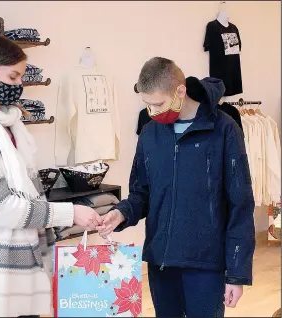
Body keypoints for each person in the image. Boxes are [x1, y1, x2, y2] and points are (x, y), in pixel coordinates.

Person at [0, 34, 102, 317]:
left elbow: (29, 192)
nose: (18, 86)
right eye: (12, 77)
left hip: (17, 269)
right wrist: (69, 213)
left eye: (21, 78)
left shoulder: (11, 126)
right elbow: (2, 208)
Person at [98, 57, 255, 317]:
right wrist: (122, 212)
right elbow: (142, 193)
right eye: (147, 105)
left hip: (206, 265)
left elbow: (240, 203)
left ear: (179, 92)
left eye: (158, 104)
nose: (153, 111)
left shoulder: (224, 129)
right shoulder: (150, 133)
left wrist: (237, 274)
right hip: (161, 262)